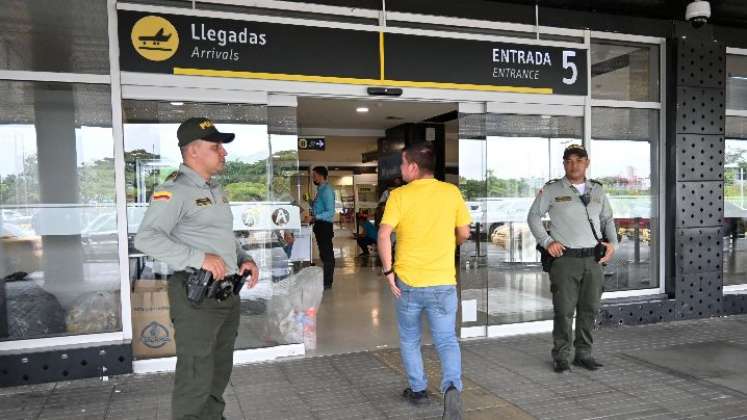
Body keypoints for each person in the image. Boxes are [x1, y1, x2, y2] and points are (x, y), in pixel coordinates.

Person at [134, 117, 260, 420]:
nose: (223, 153)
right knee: (195, 375)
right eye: (216, 147)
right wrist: (198, 258)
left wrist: (245, 257)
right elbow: (146, 238)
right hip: (196, 295)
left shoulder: (215, 190)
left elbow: (222, 239)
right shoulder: (173, 191)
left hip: (227, 293)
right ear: (193, 152)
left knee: (218, 370)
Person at [378, 143, 471, 420]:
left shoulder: (399, 196)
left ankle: (418, 390)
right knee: (446, 340)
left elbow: (384, 235)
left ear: (414, 167)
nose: (401, 169)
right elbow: (464, 233)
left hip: (408, 282)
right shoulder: (451, 192)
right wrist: (446, 244)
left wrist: (387, 271)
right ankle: (452, 388)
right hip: (443, 281)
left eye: (403, 164)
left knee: (409, 339)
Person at [527, 144, 617, 374]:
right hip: (565, 260)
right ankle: (562, 355)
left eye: (578, 160)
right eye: (568, 161)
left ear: (587, 163)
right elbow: (534, 216)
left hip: (593, 260)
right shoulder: (552, 189)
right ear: (564, 164)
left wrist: (613, 245)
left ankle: (583, 353)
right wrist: (548, 242)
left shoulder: (597, 190)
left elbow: (607, 219)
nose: (573, 165)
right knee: (564, 310)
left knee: (590, 308)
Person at [309, 166, 336, 289]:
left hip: (324, 226)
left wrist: (315, 217)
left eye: (314, 175)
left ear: (320, 176)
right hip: (320, 225)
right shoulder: (320, 190)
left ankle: (327, 282)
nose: (313, 178)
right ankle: (325, 280)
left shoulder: (326, 191)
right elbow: (320, 208)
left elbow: (330, 212)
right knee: (324, 255)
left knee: (327, 254)